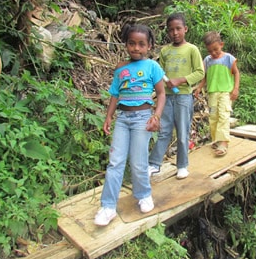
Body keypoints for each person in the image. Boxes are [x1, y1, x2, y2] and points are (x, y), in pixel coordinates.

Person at [94, 24, 165, 226]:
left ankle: (143, 194)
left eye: (141, 44)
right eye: (132, 43)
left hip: (143, 118)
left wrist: (157, 116)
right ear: (126, 44)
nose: (136, 48)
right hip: (123, 120)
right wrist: (108, 117)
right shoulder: (121, 68)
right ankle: (108, 207)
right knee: (115, 162)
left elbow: (161, 94)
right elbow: (115, 95)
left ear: (149, 46)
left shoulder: (153, 66)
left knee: (138, 161)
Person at [148, 13, 205, 179]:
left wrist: (180, 80)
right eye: (171, 30)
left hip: (184, 97)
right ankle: (154, 164)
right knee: (164, 131)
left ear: (185, 29)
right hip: (166, 97)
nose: (175, 33)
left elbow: (200, 73)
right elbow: (160, 74)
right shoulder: (165, 51)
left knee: (182, 132)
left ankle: (182, 165)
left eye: (178, 28)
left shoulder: (192, 49)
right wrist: (161, 85)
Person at [194, 31, 240, 156]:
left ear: (221, 45)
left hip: (226, 93)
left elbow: (236, 73)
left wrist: (235, 88)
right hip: (212, 94)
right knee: (213, 116)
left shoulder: (228, 58)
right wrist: (199, 87)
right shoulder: (207, 60)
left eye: (216, 49)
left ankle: (224, 142)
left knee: (223, 116)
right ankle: (216, 139)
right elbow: (204, 76)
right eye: (210, 51)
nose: (213, 53)